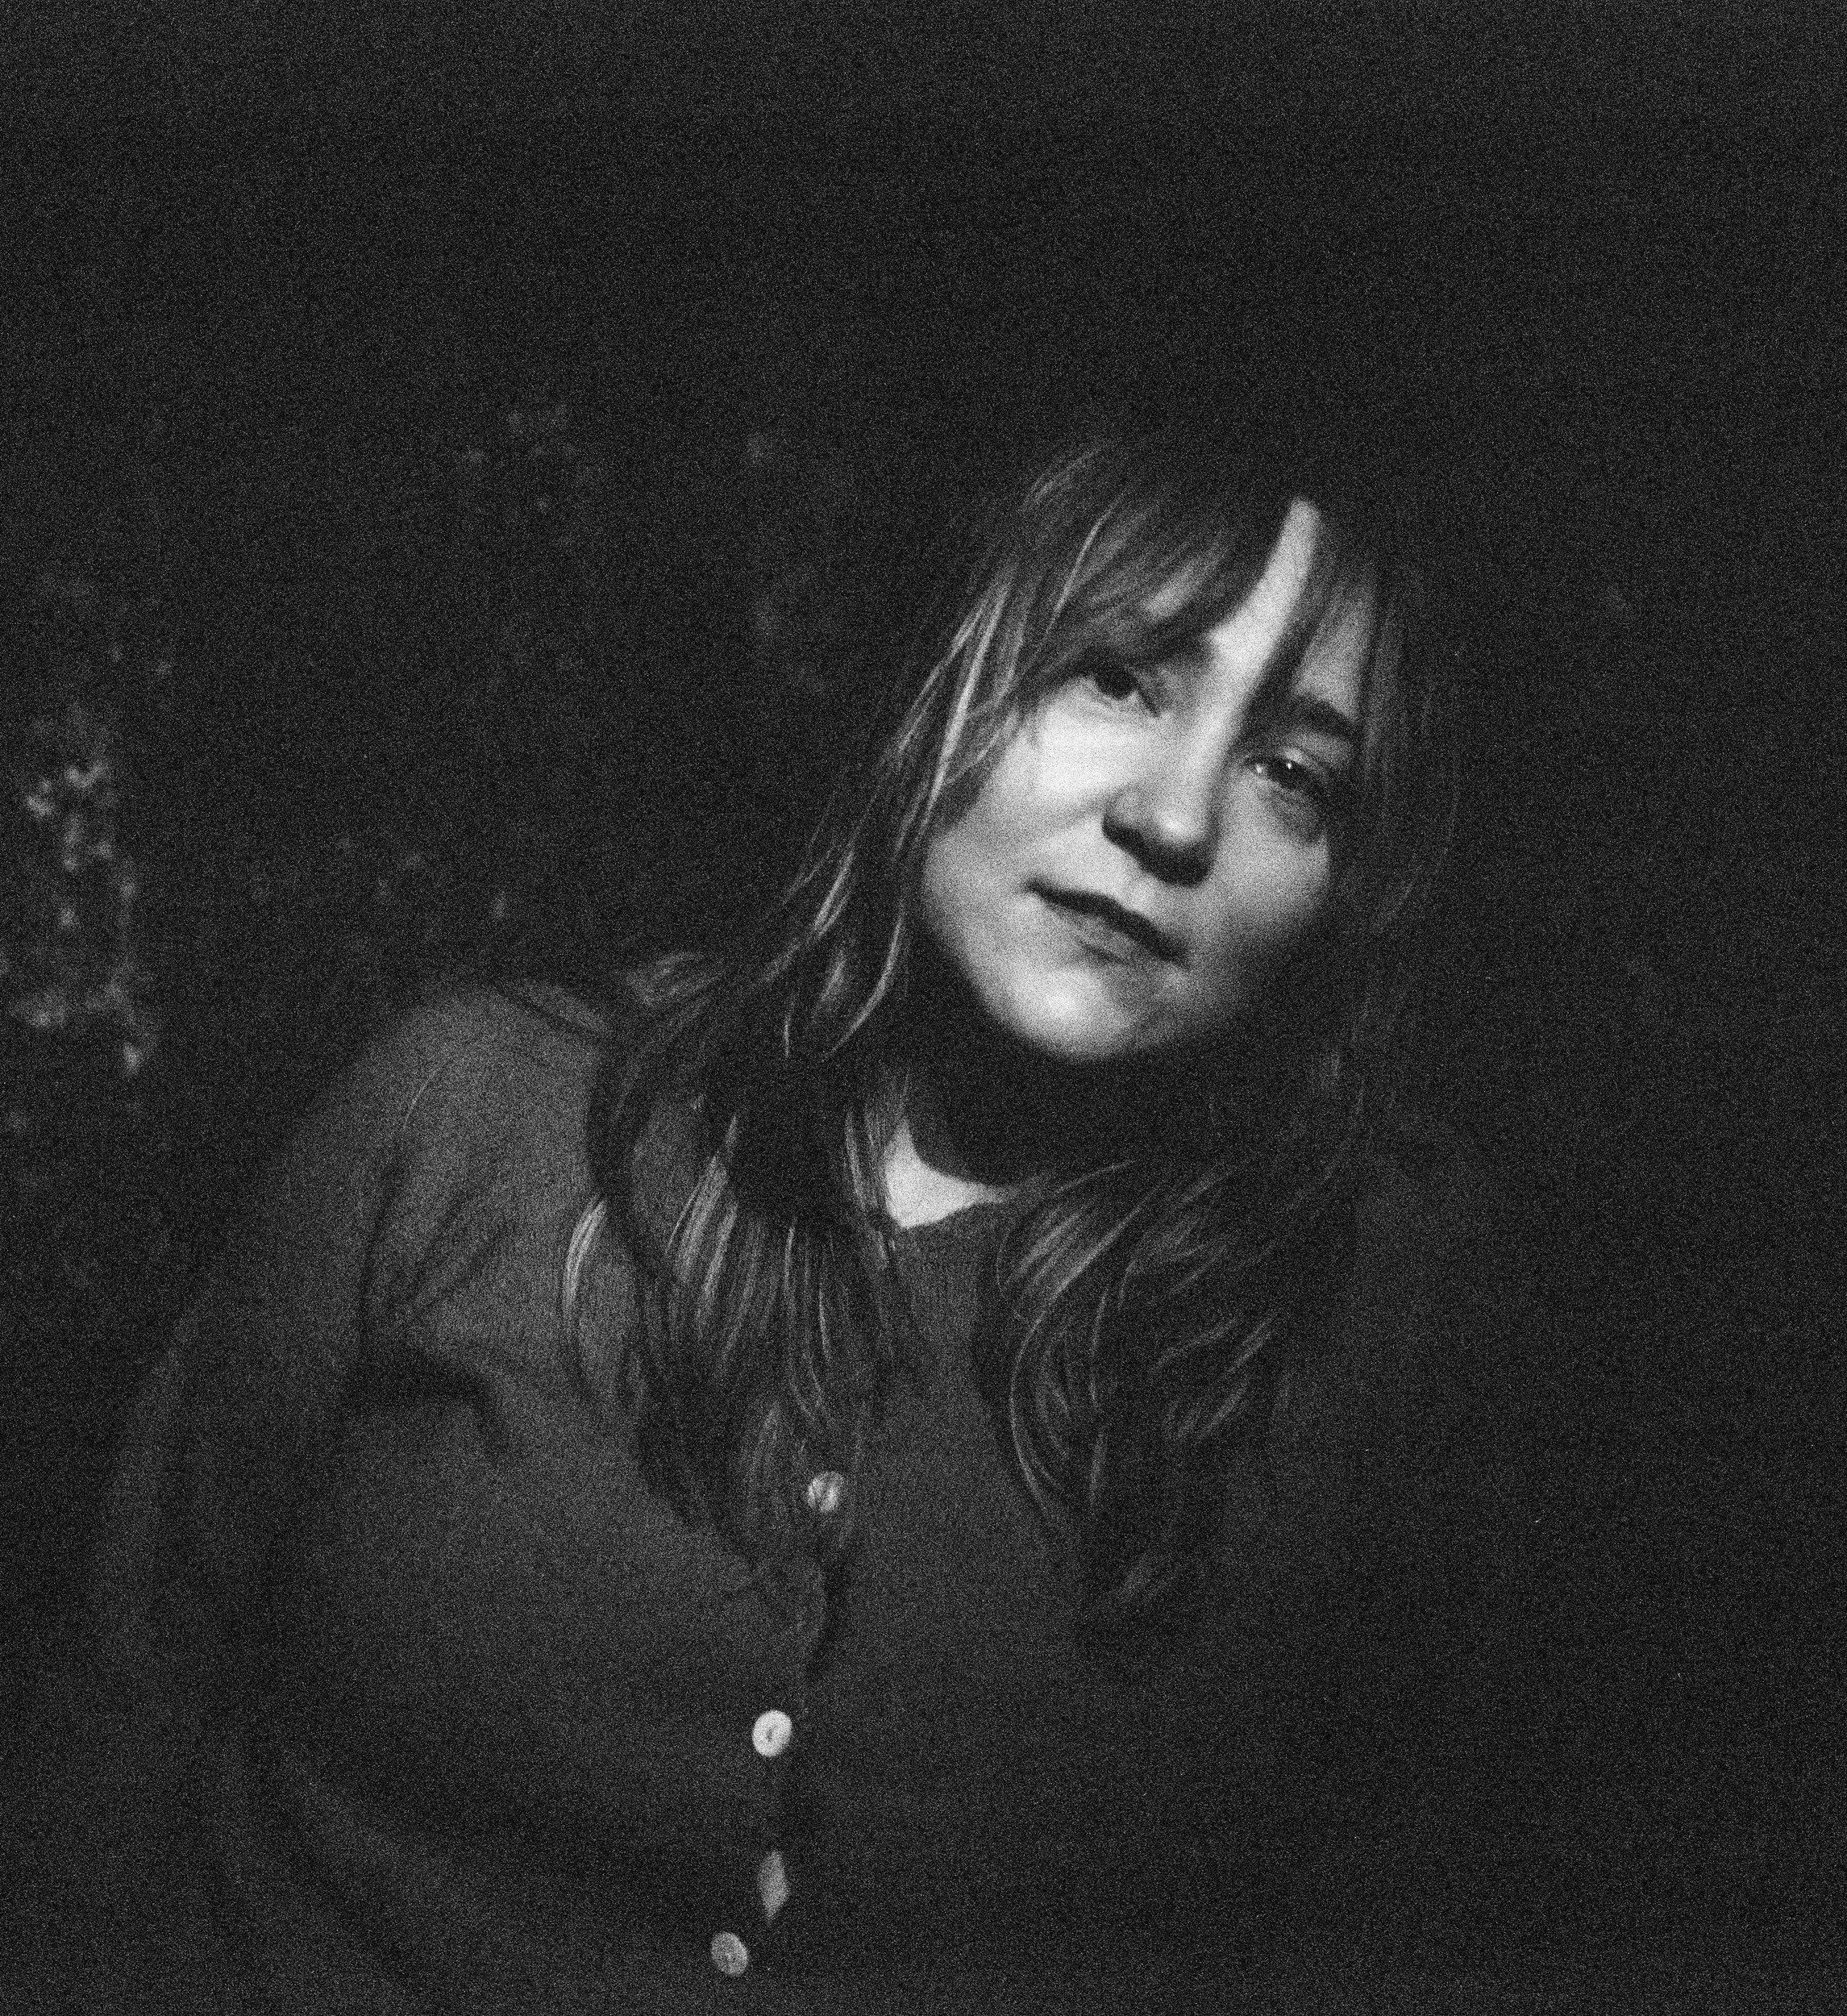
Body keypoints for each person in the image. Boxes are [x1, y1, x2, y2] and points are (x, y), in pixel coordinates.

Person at [108, 417, 1550, 2013]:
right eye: (1118, 676)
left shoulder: (1384, 1301)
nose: (1176, 817)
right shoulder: (468, 1115)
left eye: (1292, 768)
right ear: (945, 674)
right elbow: (109, 1730)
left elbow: (1378, 1918)